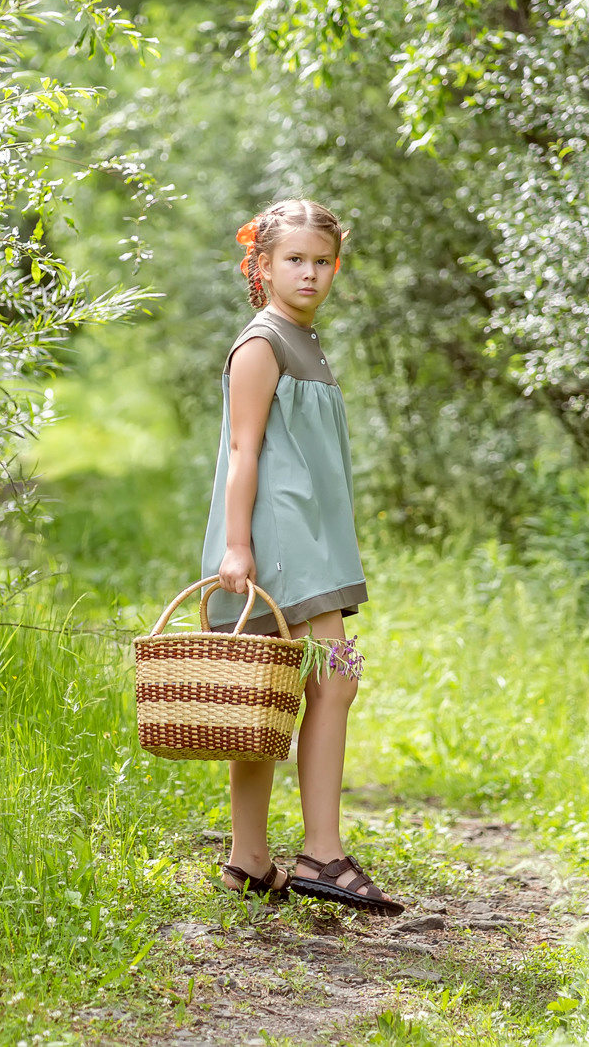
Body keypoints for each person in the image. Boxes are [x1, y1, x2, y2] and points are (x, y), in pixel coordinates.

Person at [203, 199, 404, 915]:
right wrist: (236, 544)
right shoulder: (262, 344)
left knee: (268, 693)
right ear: (262, 266)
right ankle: (322, 850)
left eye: (322, 261)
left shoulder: (305, 340)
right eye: (294, 259)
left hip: (313, 536)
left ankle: (249, 860)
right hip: (281, 540)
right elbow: (243, 451)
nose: (310, 272)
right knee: (332, 678)